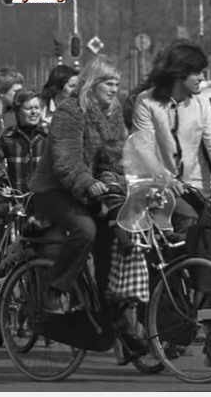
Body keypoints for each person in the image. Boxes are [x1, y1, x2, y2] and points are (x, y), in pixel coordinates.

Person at [27, 56, 142, 353]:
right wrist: (89, 183)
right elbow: (66, 162)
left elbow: (115, 157)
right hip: (54, 190)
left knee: (112, 242)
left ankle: (114, 323)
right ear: (92, 84)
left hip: (90, 190)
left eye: (117, 83)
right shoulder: (71, 111)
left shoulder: (113, 113)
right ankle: (55, 289)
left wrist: (118, 179)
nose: (115, 89)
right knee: (85, 229)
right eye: (108, 83)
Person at [131, 39, 211, 244]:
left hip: (199, 188)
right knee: (188, 221)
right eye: (197, 73)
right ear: (179, 74)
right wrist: (166, 180)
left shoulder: (202, 103)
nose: (202, 78)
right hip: (160, 189)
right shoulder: (147, 103)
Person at [0, 90, 47, 193]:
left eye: (37, 108)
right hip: (18, 201)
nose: (34, 112)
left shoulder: (49, 135)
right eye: (29, 108)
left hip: (44, 200)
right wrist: (1, 188)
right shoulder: (8, 137)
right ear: (18, 111)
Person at [0, 68, 25, 138]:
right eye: (16, 91)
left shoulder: (18, 115)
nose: (20, 94)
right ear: (2, 92)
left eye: (21, 91)